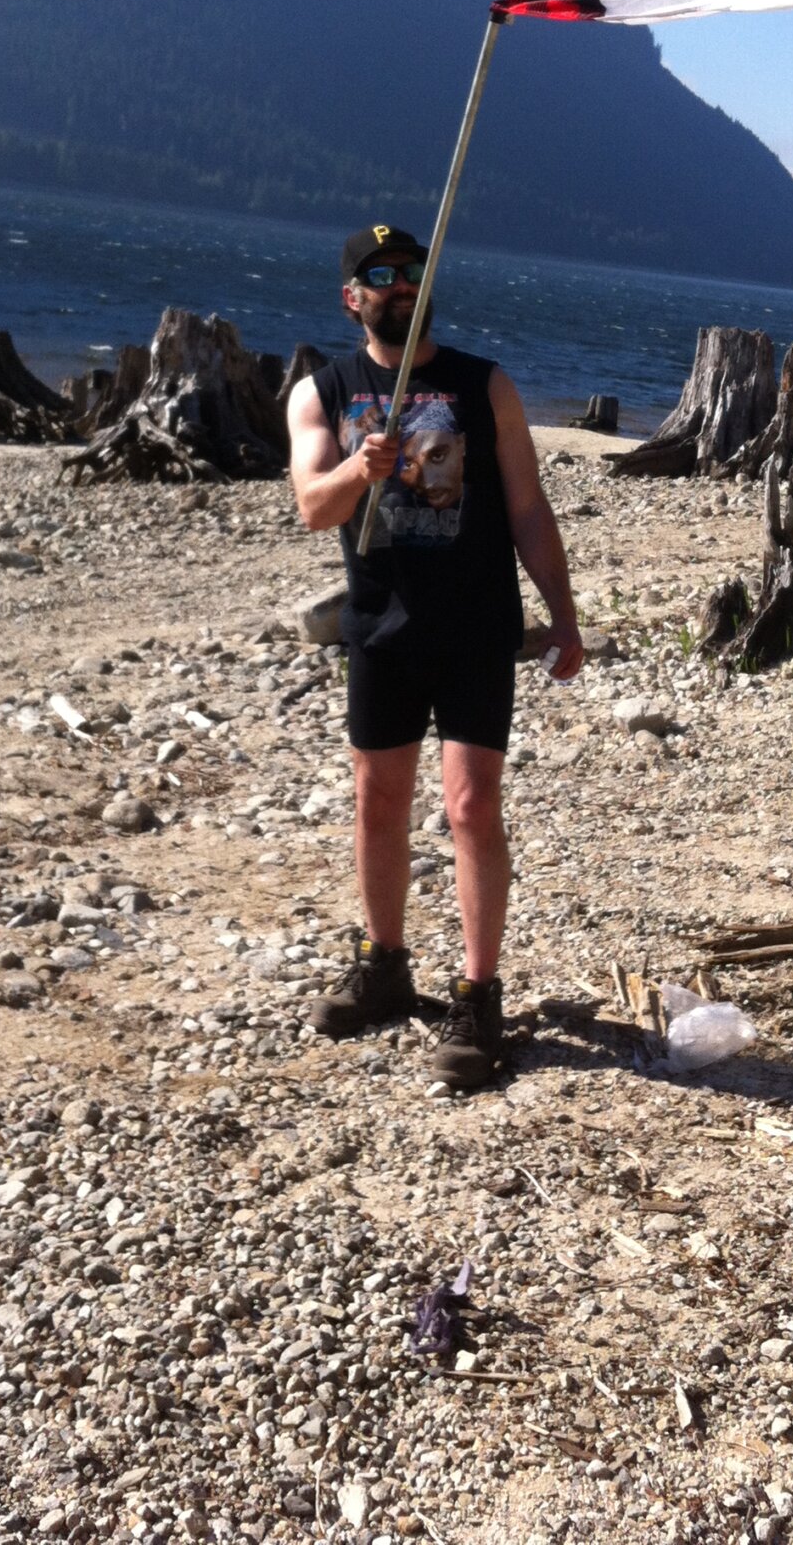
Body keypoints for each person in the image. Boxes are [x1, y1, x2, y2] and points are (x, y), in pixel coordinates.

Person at [287, 222, 584, 1088]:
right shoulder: (322, 391)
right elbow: (312, 506)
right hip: (380, 625)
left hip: (475, 624)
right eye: (380, 276)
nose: (401, 286)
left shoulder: (484, 386)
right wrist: (361, 471)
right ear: (352, 298)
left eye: (413, 271)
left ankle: (478, 995)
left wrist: (562, 617)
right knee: (378, 802)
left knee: (470, 806)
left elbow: (527, 508)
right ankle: (384, 965)